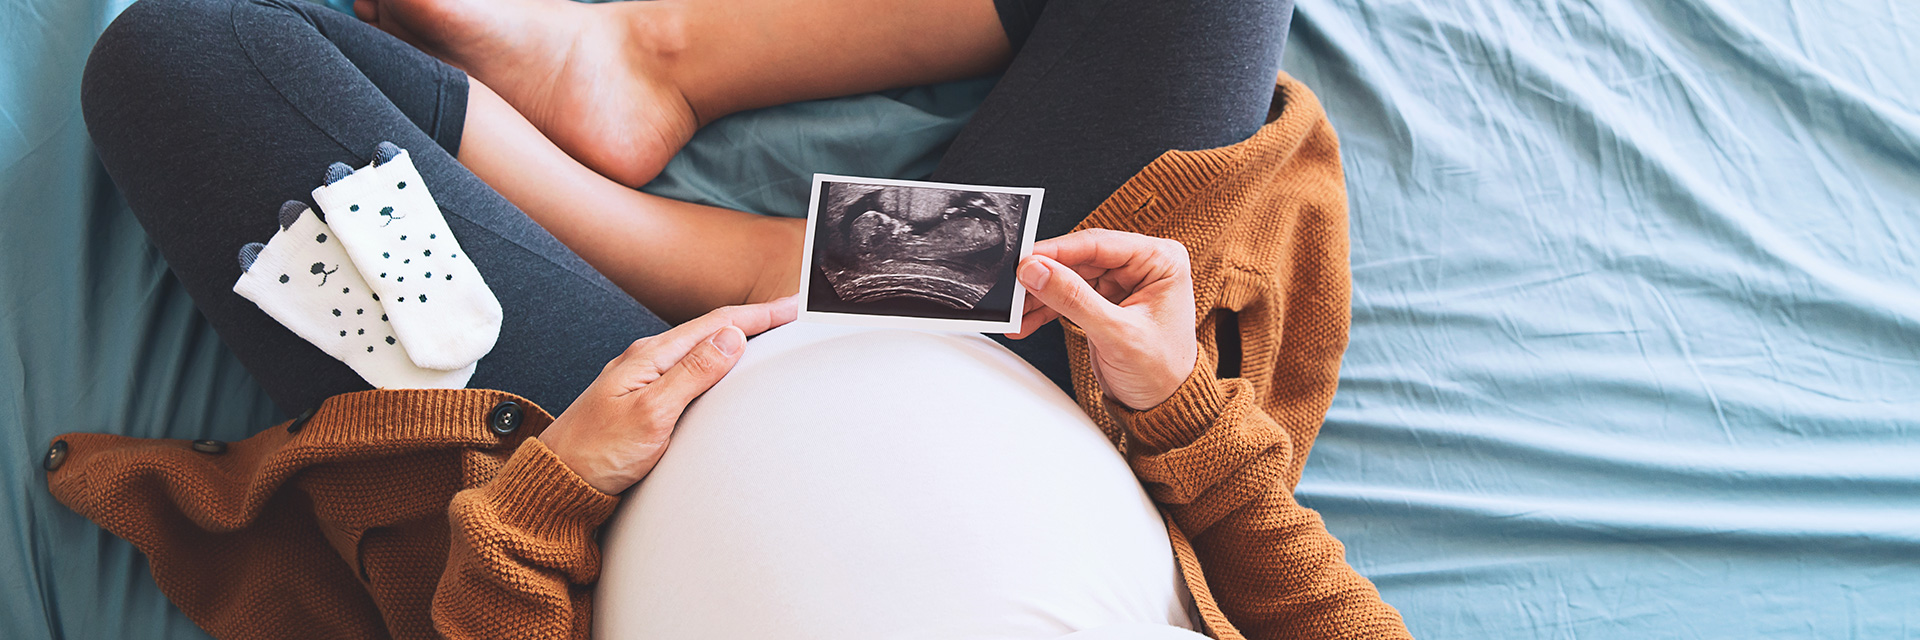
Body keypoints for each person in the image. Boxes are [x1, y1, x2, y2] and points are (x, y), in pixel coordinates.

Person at [47, 0, 1413, 637]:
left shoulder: (576, 470)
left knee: (189, 59)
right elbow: (1312, 610)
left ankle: (690, 246)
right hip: (1046, 356)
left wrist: (556, 496)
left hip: (590, 441)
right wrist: (1178, 405)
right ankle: (658, 70)